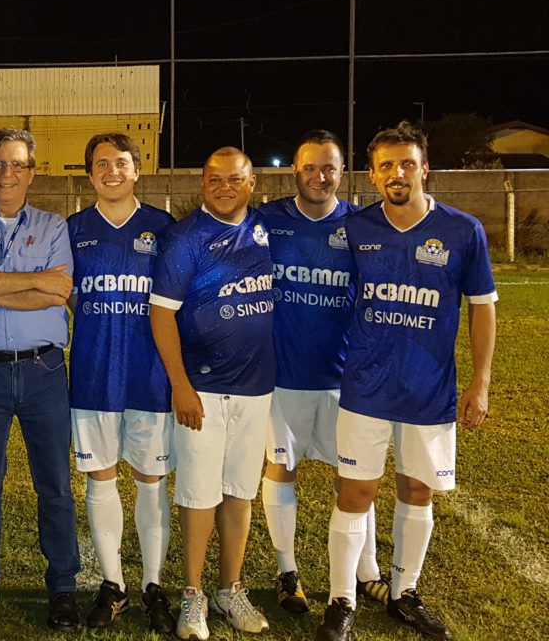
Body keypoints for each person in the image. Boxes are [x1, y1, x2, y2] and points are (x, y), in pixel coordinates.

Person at [316, 121, 496, 641]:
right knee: (355, 492)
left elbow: (482, 309)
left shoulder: (463, 230)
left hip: (429, 388)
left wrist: (479, 383)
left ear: (424, 168)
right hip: (365, 386)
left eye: (407, 164)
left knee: (418, 491)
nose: (398, 174)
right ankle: (341, 598)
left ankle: (404, 592)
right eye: (387, 166)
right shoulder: (358, 229)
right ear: (372, 176)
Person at [0, 127, 81, 632]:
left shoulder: (52, 224)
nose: (7, 173)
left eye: (17, 165)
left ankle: (63, 588)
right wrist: (29, 281)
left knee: (56, 487)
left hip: (45, 370)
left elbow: (58, 291)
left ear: (32, 172)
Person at [257, 131, 386, 614]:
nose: (319, 176)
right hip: (283, 375)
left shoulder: (362, 224)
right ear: (295, 169)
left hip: (344, 378)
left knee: (353, 477)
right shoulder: (268, 220)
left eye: (329, 167)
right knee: (281, 469)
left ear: (342, 171)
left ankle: (366, 570)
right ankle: (287, 570)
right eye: (310, 167)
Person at [149, 147, 274, 640]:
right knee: (199, 494)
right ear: (201, 182)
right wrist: (181, 385)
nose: (225, 187)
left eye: (235, 179)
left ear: (252, 183)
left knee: (240, 492)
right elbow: (161, 315)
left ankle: (230, 589)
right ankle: (194, 595)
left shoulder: (265, 230)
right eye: (215, 179)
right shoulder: (184, 239)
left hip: (256, 387)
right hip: (202, 388)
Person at [66, 133, 176, 633]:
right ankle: (114, 586)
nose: (112, 171)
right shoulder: (73, 230)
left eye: (121, 163)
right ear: (89, 174)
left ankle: (152, 584)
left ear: (138, 171)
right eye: (101, 164)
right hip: (92, 375)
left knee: (151, 481)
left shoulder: (163, 228)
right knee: (101, 476)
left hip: (150, 378)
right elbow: (64, 294)